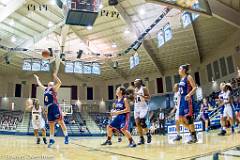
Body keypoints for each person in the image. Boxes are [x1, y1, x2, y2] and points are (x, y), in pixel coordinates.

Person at [34, 73, 69, 148]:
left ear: (53, 85)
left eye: (52, 83)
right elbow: (40, 84)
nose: (50, 83)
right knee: (51, 125)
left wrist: (55, 76)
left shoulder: (54, 89)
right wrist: (37, 78)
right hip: (48, 108)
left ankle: (66, 136)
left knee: (61, 122)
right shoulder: (45, 89)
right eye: (50, 83)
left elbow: (60, 82)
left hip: (55, 106)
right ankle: (52, 139)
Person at [178, 64, 197, 143]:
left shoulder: (188, 77)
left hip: (187, 100)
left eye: (180, 69)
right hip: (182, 100)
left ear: (184, 70)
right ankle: (192, 132)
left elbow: (195, 87)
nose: (178, 70)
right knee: (181, 120)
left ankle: (193, 137)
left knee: (188, 118)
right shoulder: (181, 79)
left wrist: (189, 94)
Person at [133, 79, 152, 145]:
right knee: (137, 124)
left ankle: (148, 134)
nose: (134, 82)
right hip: (136, 107)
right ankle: (141, 138)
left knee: (142, 123)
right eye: (134, 81)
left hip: (143, 107)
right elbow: (134, 99)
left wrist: (142, 96)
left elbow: (149, 98)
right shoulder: (134, 90)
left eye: (136, 81)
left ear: (140, 82)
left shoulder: (144, 88)